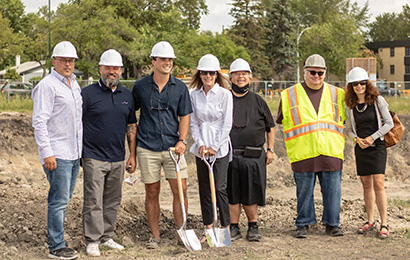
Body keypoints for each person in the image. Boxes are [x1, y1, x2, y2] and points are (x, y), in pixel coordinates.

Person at [276, 54, 345, 238]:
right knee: (304, 192)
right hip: (303, 152)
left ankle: (333, 224)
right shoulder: (289, 95)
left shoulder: (338, 94)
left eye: (320, 73)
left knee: (333, 192)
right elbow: (282, 121)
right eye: (312, 72)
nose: (316, 76)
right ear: (304, 72)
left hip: (331, 151)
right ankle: (303, 223)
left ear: (325, 73)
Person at [132, 41, 192, 249]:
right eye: (163, 59)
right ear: (154, 61)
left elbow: (184, 116)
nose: (167, 63)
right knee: (152, 191)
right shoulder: (140, 87)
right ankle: (155, 236)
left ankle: (181, 232)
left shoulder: (180, 87)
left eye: (170, 60)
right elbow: (132, 119)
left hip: (173, 148)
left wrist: (182, 140)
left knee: (180, 190)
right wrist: (131, 153)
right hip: (147, 147)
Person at [81, 49, 137, 256]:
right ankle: (92, 240)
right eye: (107, 68)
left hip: (117, 157)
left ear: (121, 71)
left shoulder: (127, 96)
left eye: (115, 68)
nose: (111, 72)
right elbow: (78, 124)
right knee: (93, 200)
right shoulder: (87, 94)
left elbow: (131, 125)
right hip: (93, 156)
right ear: (100, 70)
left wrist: (132, 155)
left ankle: (106, 237)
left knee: (113, 199)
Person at [32, 41, 82, 260]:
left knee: (65, 198)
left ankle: (53, 238)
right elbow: (39, 122)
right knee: (58, 200)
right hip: (57, 153)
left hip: (74, 152)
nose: (68, 64)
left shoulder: (74, 84)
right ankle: (56, 246)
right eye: (64, 60)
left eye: (71, 61)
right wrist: (47, 152)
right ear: (55, 61)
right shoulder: (47, 85)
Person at [227, 58, 275, 242]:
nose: (241, 77)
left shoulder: (258, 101)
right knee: (232, 193)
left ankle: (253, 226)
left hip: (254, 156)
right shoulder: (225, 99)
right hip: (230, 155)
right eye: (237, 74)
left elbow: (270, 127)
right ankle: (234, 227)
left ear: (249, 77)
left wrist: (270, 149)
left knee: (251, 193)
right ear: (231, 77)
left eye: (244, 74)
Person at [344, 67, 393, 239]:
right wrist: (356, 139)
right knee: (366, 185)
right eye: (355, 84)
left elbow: (389, 123)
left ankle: (384, 223)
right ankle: (370, 221)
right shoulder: (349, 105)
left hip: (377, 146)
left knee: (379, 184)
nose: (359, 86)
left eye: (362, 83)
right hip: (361, 148)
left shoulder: (378, 100)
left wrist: (372, 138)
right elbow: (347, 129)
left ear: (367, 83)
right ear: (351, 86)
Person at [189, 54, 233, 243]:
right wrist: (200, 144)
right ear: (200, 74)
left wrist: (215, 146)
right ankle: (208, 228)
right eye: (204, 73)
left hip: (220, 148)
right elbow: (193, 123)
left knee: (220, 187)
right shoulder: (194, 95)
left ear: (217, 74)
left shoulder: (225, 94)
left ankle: (225, 228)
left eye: (211, 73)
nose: (208, 76)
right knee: (205, 188)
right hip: (201, 148)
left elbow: (227, 123)